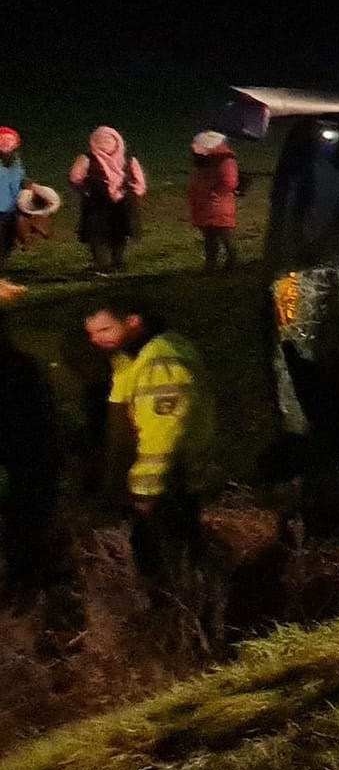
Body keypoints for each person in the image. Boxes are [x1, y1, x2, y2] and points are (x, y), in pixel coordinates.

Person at [83, 301, 217, 601]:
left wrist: (147, 492)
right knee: (164, 563)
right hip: (152, 488)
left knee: (171, 566)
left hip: (167, 486)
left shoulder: (161, 362)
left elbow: (163, 435)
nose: (97, 338)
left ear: (133, 322)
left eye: (105, 328)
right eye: (91, 333)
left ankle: (188, 628)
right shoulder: (129, 361)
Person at [0, 294, 84, 641]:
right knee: (44, 557)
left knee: (35, 558)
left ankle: (49, 636)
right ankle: (57, 632)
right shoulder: (24, 366)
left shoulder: (18, 370)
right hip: (35, 478)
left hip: (26, 481)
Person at [70, 126, 147, 275]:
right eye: (102, 141)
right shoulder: (87, 159)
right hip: (97, 204)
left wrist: (132, 194)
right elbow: (76, 178)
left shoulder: (128, 159)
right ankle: (103, 265)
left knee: (120, 232)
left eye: (109, 141)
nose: (106, 145)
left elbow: (139, 181)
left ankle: (117, 262)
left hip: (122, 204)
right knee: (98, 235)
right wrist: (87, 191)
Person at [187, 131, 240, 271]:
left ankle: (231, 261)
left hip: (217, 203)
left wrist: (214, 193)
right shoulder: (206, 160)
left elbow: (229, 181)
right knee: (210, 236)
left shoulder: (224, 160)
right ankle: (212, 263)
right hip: (206, 202)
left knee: (223, 234)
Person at [0, 127, 23, 273]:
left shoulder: (16, 162)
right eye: (3, 140)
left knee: (7, 243)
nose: (7, 144)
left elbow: (18, 180)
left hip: (11, 210)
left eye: (11, 140)